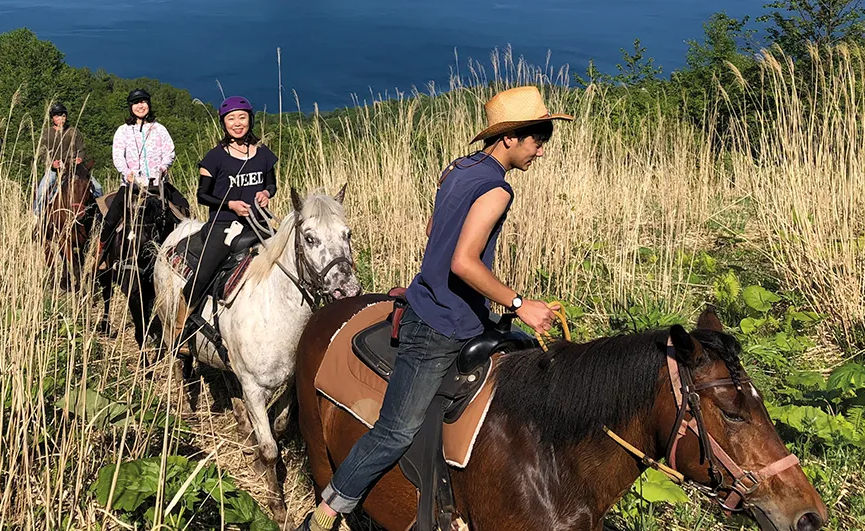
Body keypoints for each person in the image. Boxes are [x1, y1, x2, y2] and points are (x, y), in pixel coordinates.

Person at [297, 85, 571, 531]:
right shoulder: (498, 189)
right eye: (537, 138)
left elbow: (433, 226)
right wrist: (520, 304)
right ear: (509, 138)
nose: (540, 150)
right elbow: (464, 261)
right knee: (394, 431)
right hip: (440, 324)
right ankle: (326, 513)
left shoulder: (458, 168)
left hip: (456, 310)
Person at [176, 95, 277, 353]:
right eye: (231, 119)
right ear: (224, 124)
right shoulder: (214, 158)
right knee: (202, 275)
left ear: (250, 120)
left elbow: (271, 184)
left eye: (242, 117)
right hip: (225, 224)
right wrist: (230, 204)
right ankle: (180, 330)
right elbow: (202, 195)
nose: (237, 123)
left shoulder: (263, 154)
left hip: (258, 221)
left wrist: (266, 194)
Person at [94, 88, 189, 267]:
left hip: (157, 184)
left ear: (149, 105)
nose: (140, 106)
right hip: (132, 185)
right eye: (136, 103)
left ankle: (182, 252)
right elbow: (117, 156)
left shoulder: (159, 129)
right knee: (110, 219)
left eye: (143, 102)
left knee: (183, 207)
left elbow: (169, 151)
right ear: (131, 107)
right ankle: (100, 257)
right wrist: (126, 172)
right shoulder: (123, 131)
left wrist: (163, 167)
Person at [34, 102, 89, 217]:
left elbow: (82, 148)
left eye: (63, 116)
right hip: (56, 168)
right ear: (52, 118)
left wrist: (80, 158)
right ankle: (37, 217)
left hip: (74, 167)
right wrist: (51, 164)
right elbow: (43, 152)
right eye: (57, 116)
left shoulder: (73, 131)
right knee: (41, 192)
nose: (61, 118)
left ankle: (97, 217)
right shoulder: (47, 133)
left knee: (97, 188)